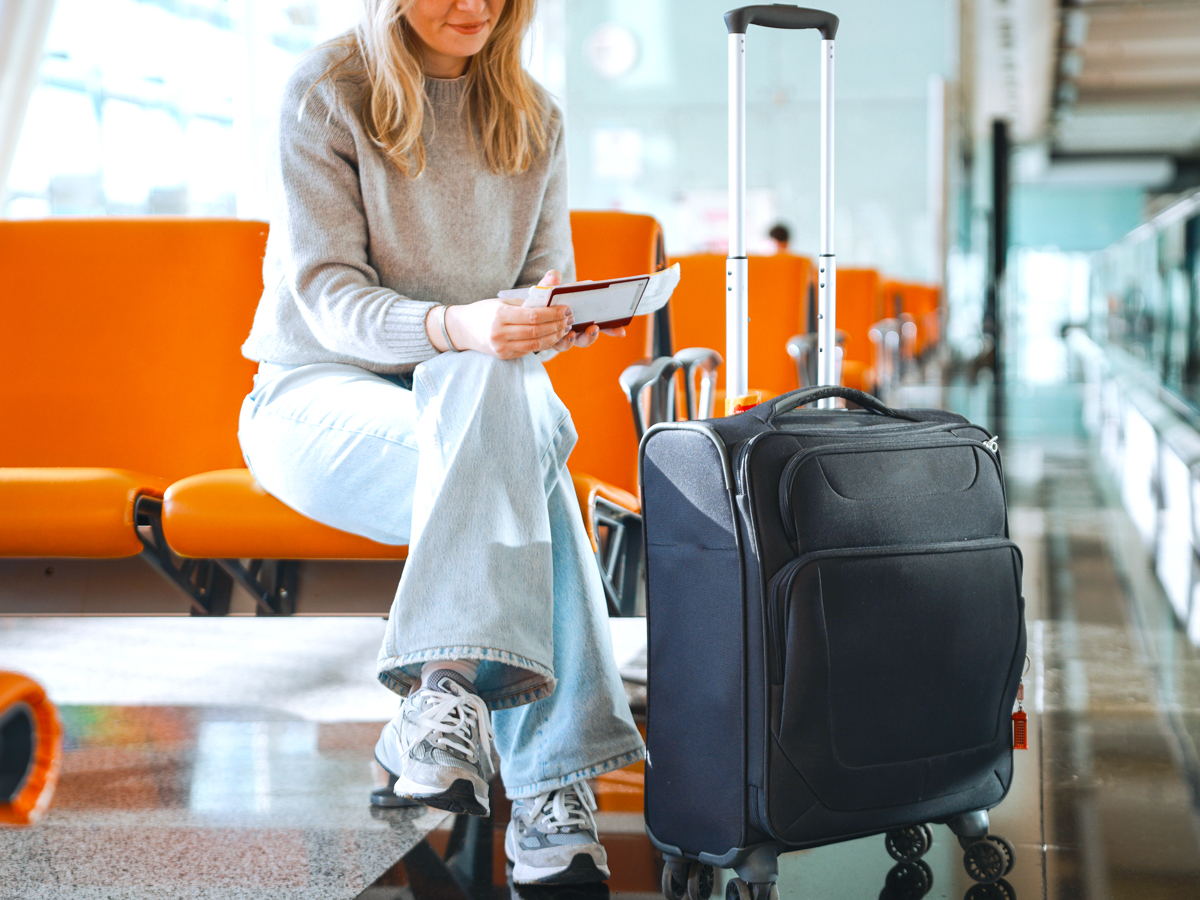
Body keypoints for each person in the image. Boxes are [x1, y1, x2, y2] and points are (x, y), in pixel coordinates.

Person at [237, 0, 645, 885]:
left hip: (480, 402)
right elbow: (330, 298)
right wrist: (463, 325)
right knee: (517, 448)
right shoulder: (325, 91)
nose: (474, 8)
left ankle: (439, 704)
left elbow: (542, 284)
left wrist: (548, 324)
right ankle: (548, 784)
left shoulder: (535, 117)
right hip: (316, 398)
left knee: (493, 391)